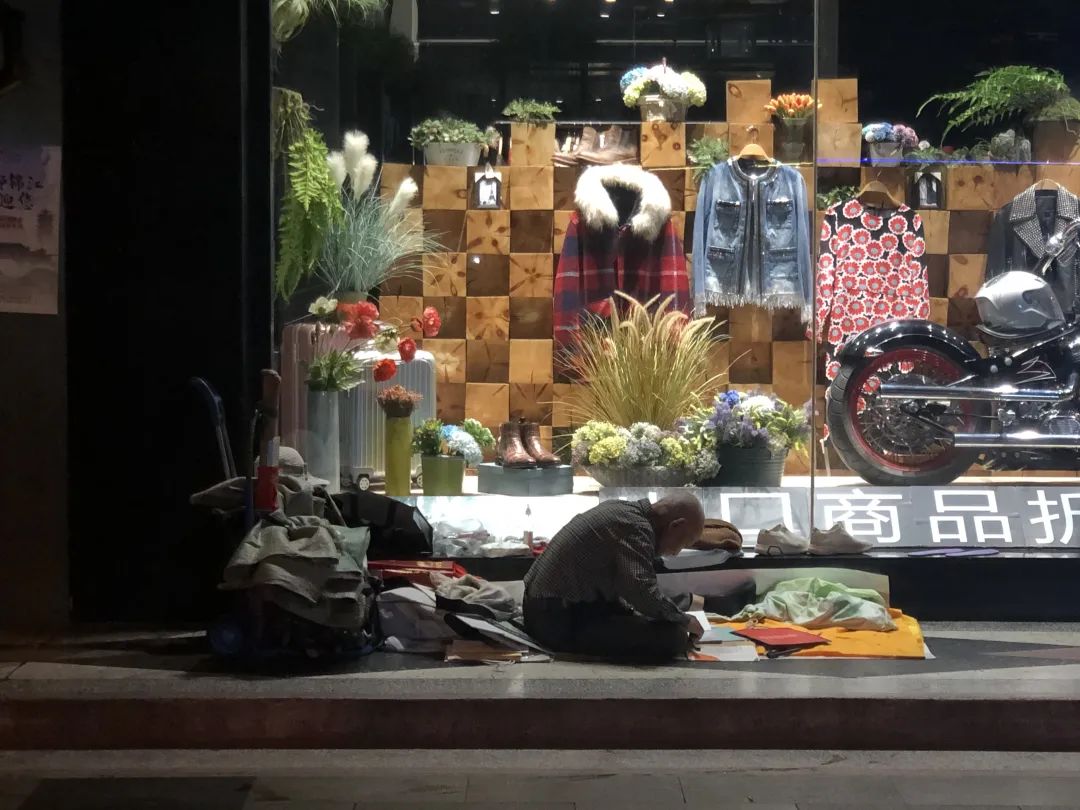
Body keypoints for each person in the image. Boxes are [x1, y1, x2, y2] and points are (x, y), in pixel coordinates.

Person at [523, 493, 707, 662]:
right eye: (684, 542)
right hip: (554, 622)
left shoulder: (623, 511)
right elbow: (642, 592)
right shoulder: (636, 529)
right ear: (675, 526)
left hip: (548, 608)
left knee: (653, 619)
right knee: (673, 637)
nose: (676, 552)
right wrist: (684, 620)